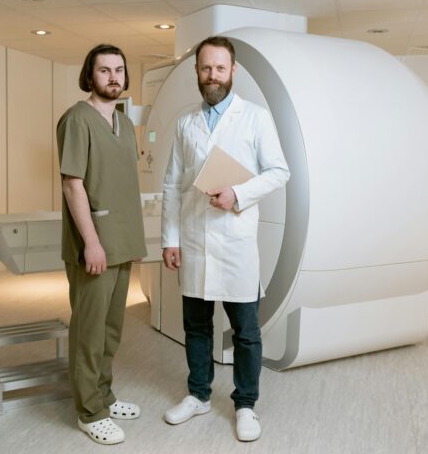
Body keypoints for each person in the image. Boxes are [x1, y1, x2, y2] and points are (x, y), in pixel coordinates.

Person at [161, 36, 290, 442]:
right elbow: (171, 186)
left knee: (246, 332)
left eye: (219, 68)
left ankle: (245, 404)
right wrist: (170, 239)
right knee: (196, 327)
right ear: (196, 72)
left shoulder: (255, 117)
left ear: (232, 71)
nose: (212, 75)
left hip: (235, 241)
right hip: (196, 241)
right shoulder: (185, 124)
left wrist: (239, 194)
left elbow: (279, 171)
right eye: (205, 68)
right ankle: (198, 394)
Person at [56, 44, 146, 445]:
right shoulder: (77, 119)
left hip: (123, 242)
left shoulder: (124, 124)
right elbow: (72, 184)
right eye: (104, 70)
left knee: (111, 330)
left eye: (119, 70)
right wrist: (91, 242)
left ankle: (104, 396)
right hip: (95, 245)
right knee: (89, 331)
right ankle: (88, 411)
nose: (113, 77)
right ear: (89, 76)